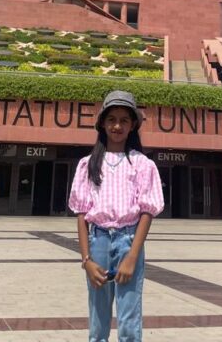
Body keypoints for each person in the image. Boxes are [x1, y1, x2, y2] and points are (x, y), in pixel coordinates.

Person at [69, 89, 164, 342]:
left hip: (128, 241)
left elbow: (147, 211)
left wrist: (132, 256)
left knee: (129, 321)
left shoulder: (143, 164)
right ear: (102, 124)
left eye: (124, 120)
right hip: (98, 241)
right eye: (111, 119)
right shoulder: (88, 164)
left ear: (133, 125)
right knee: (98, 321)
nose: (117, 125)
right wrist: (86, 259)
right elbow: (81, 213)